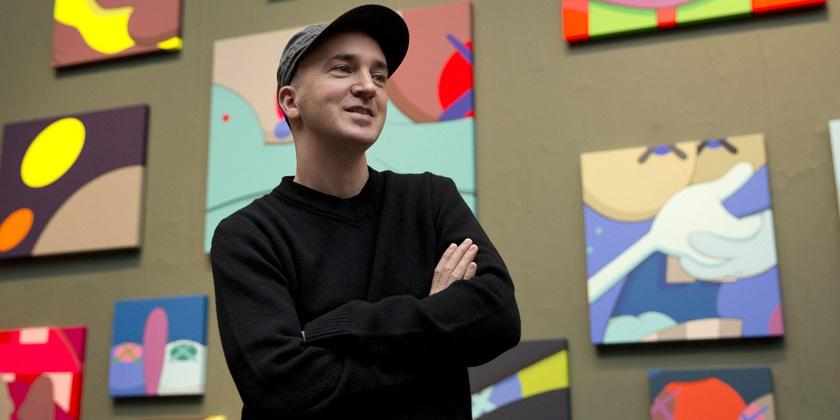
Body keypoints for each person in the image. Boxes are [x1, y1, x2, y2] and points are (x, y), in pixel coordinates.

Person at [210, 4, 520, 419]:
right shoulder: (248, 235)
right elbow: (282, 388)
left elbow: (498, 318)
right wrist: (436, 327)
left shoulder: (430, 199)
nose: (367, 87)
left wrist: (339, 325)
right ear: (290, 101)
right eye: (343, 69)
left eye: (379, 76)